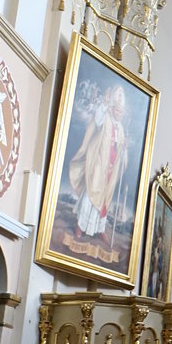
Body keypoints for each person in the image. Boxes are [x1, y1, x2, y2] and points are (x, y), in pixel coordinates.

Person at [68, 83, 129, 243]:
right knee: (91, 194)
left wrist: (124, 148)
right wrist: (104, 104)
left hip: (110, 170)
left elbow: (121, 151)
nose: (118, 114)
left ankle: (100, 229)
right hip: (99, 164)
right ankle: (80, 226)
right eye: (117, 110)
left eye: (121, 112)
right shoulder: (106, 118)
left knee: (104, 200)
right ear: (112, 108)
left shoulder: (121, 129)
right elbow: (97, 120)